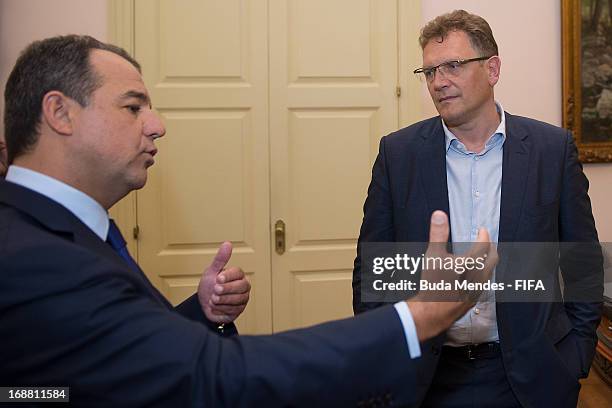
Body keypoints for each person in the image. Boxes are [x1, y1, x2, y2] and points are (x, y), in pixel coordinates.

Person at [0, 35, 498, 407]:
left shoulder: (52, 235)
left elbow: (82, 374)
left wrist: (199, 313)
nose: (157, 124)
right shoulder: (35, 259)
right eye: (133, 107)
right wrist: (420, 314)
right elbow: (214, 376)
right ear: (59, 113)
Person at [352, 9, 604, 408]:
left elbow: (583, 265)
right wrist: (383, 355)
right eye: (429, 72)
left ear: (492, 69)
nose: (438, 82)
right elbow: (373, 271)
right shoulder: (398, 155)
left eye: (452, 66)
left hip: (531, 376)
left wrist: (574, 354)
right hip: (427, 378)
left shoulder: (550, 151)